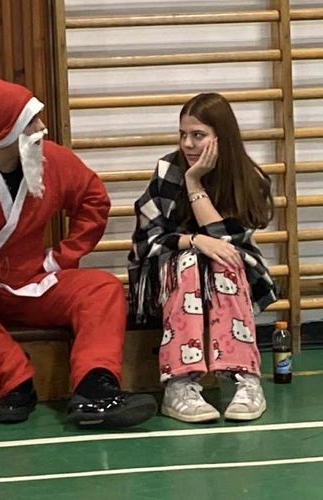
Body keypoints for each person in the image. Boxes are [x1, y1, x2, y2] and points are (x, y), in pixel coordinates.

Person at [0, 75, 157, 427]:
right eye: (31, 121)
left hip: (35, 280)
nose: (42, 128)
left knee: (103, 288)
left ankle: (95, 388)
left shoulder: (53, 159)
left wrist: (62, 257)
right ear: (5, 132)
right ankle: (14, 383)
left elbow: (94, 199)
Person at [128, 93, 277, 423]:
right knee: (190, 262)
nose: (188, 144)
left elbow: (227, 241)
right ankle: (179, 383)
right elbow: (145, 241)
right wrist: (194, 241)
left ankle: (244, 376)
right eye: (183, 134)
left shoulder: (249, 176)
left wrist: (194, 182)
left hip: (232, 271)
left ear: (221, 136)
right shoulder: (167, 170)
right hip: (171, 269)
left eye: (198, 135)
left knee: (223, 259)